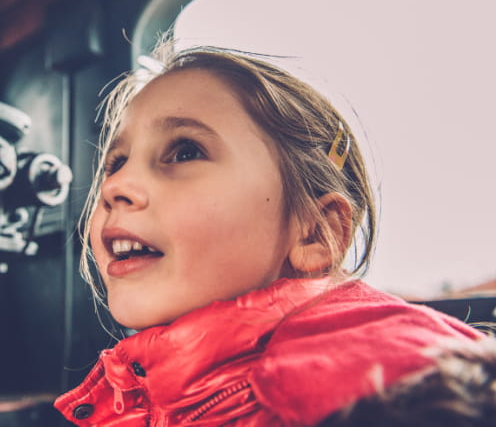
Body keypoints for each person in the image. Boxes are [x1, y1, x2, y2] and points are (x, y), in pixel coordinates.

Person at [54, 44, 496, 426]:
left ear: (314, 234)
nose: (114, 187)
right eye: (115, 163)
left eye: (185, 151)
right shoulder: (146, 385)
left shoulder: (388, 389)